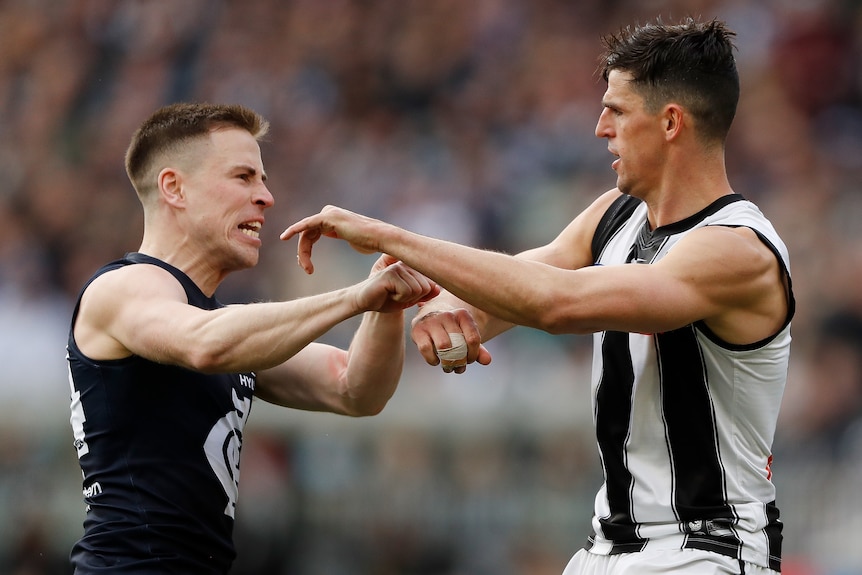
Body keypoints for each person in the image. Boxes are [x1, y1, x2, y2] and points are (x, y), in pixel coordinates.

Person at [282, 17, 794, 575]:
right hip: (607, 549)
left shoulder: (736, 250)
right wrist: (443, 309)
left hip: (705, 551)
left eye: (616, 111)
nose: (600, 128)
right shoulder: (614, 215)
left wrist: (391, 236)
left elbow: (556, 302)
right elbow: (509, 286)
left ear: (671, 122)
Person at [65, 102, 438, 574]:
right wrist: (355, 297)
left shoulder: (226, 324)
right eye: (243, 177)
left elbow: (355, 388)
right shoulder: (123, 288)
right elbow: (204, 344)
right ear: (174, 188)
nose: (266, 197)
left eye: (262, 179)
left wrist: (385, 305)